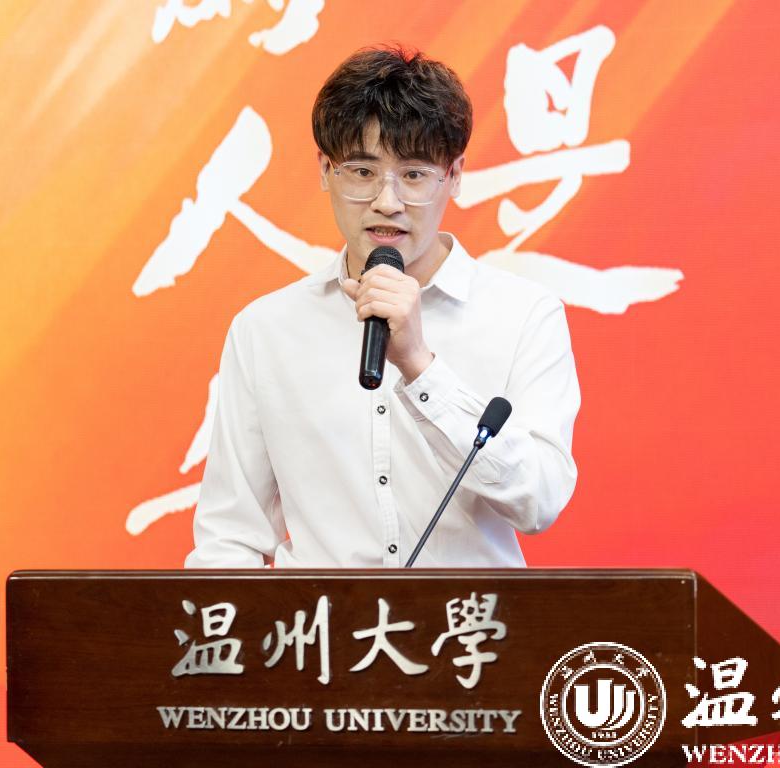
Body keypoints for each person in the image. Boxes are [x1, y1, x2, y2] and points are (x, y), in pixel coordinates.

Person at [185, 46, 580, 568]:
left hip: (469, 619)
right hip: (321, 621)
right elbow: (230, 537)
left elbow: (540, 499)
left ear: (454, 175)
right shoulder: (266, 330)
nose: (387, 202)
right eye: (362, 172)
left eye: (413, 175)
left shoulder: (525, 314)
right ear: (325, 170)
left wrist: (420, 366)